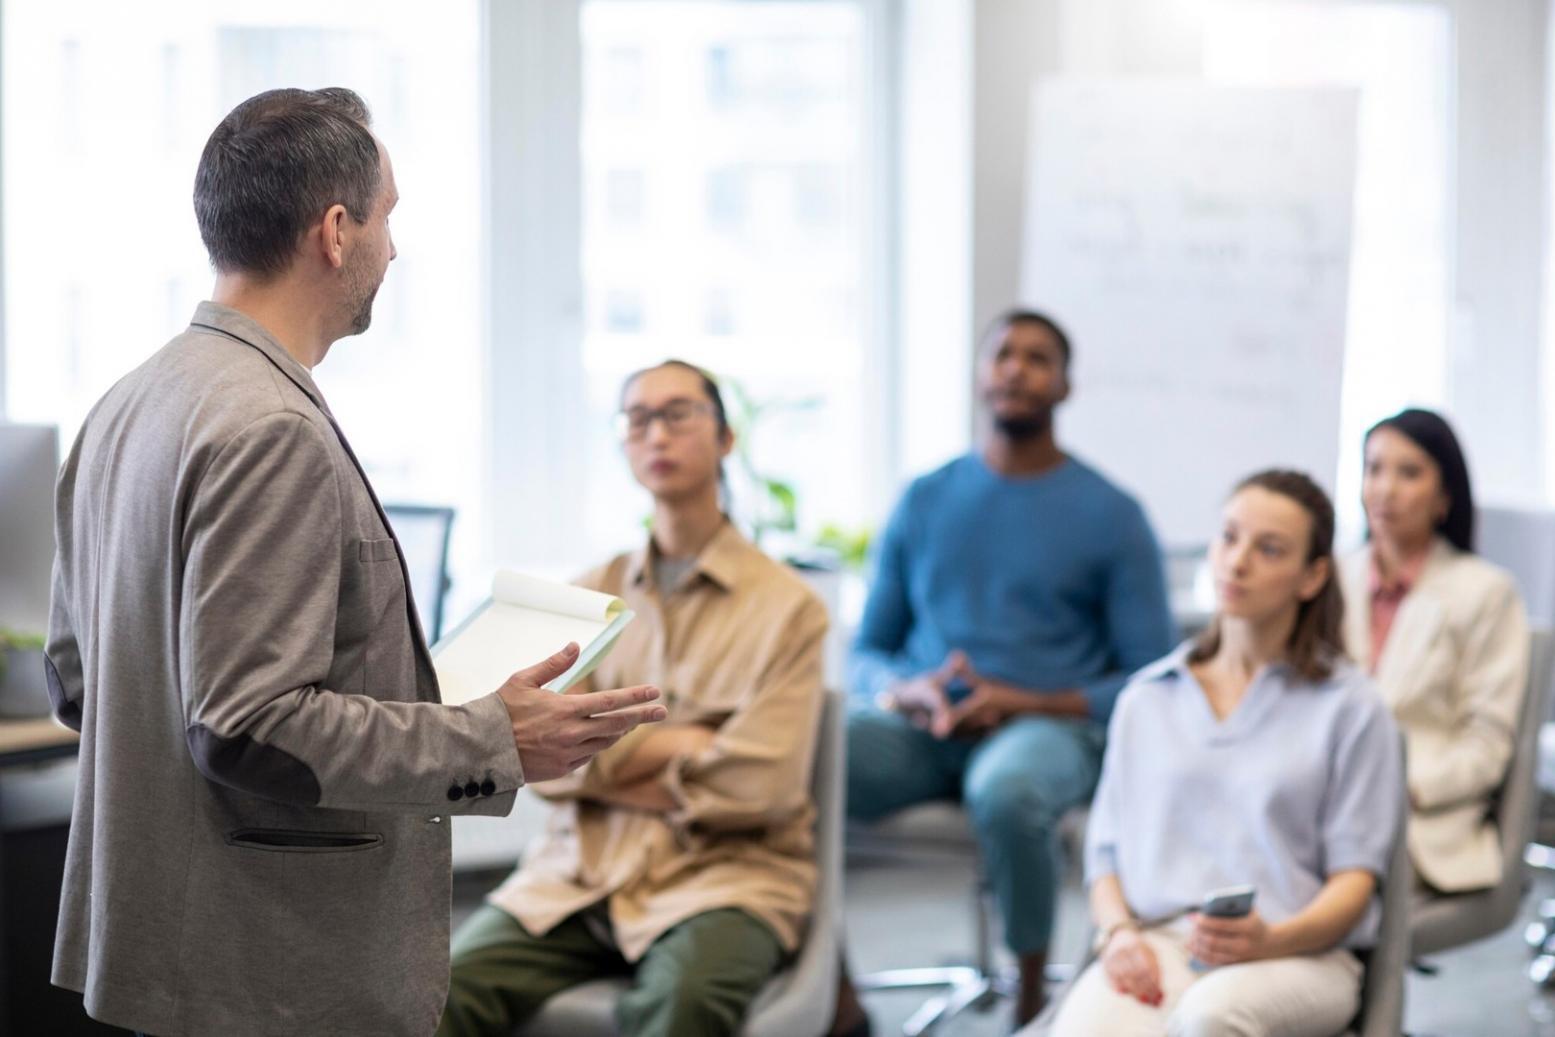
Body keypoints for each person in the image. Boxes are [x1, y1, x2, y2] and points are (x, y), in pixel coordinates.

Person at [43, 88, 664, 1037]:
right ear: (336, 230)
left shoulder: (129, 404)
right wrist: (492, 738)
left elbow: (78, 681)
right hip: (268, 975)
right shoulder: (269, 429)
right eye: (389, 216)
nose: (395, 247)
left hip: (165, 951)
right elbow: (247, 725)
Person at [439, 360, 829, 1037]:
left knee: (680, 1008)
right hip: (577, 875)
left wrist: (602, 758)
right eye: (637, 419)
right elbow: (539, 762)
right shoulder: (589, 592)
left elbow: (759, 786)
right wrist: (688, 743)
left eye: (678, 414)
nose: (656, 434)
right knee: (434, 993)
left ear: (726, 438)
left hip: (724, 881)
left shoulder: (789, 607)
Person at [837, 309, 1176, 1028]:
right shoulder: (924, 498)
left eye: (1037, 357)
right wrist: (908, 689)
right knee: (807, 755)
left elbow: (1152, 680)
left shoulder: (1111, 514)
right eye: (1001, 354)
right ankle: (831, 984)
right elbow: (865, 649)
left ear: (1064, 384)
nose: (1015, 368)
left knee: (1008, 787)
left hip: (1046, 731)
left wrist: (1021, 701)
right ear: (979, 374)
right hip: (927, 727)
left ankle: (1030, 1006)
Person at [1039, 469, 1404, 1037]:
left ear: (1312, 577)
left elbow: (1355, 882)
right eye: (1229, 537)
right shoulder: (1148, 699)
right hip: (1162, 941)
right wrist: (1119, 936)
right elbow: (1105, 856)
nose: (1237, 562)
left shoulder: (1351, 709)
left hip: (1298, 954)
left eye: (1269, 549)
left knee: (1209, 1019)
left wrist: (1272, 940)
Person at [1340, 408, 1529, 893]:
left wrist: (1405, 789)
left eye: (1409, 472)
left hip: (1422, 822)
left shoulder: (1485, 592)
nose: (1385, 488)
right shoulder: (1332, 581)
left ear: (1445, 496)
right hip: (1329, 806)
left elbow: (1486, 746)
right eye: (1374, 468)